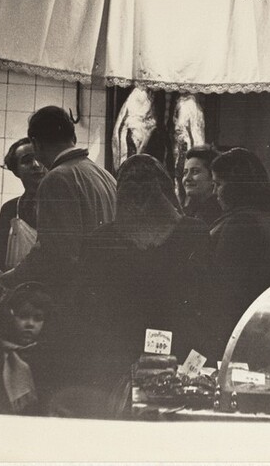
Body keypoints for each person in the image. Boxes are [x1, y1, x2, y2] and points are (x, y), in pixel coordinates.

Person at [79, 154, 212, 385]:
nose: (140, 197)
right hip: (172, 354)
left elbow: (88, 311)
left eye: (146, 186)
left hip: (123, 360)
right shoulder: (194, 231)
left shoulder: (100, 239)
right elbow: (207, 303)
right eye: (133, 187)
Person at [0, 106, 117, 305]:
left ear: (36, 144)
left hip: (75, 301)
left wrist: (12, 278)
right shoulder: (106, 176)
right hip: (104, 296)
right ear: (73, 137)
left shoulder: (57, 178)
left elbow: (55, 253)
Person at [207, 148, 270, 354]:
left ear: (235, 185)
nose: (214, 192)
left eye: (219, 184)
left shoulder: (240, 222)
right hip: (261, 327)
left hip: (238, 332)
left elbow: (224, 286)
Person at [0, 283, 66, 415]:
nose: (30, 324)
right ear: (9, 317)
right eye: (23, 316)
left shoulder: (46, 354)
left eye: (38, 318)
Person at [0, 138, 46, 295]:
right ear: (16, 171)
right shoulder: (10, 209)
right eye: (27, 161)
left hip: (51, 299)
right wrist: (1, 293)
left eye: (40, 159)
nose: (36, 165)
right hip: (14, 297)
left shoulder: (62, 204)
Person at [181, 145, 222, 226]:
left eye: (195, 171)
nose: (187, 178)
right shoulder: (189, 211)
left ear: (213, 177)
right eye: (185, 173)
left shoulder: (216, 214)